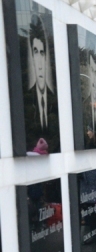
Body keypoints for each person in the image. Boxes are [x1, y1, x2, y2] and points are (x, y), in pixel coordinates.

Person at [24, 13, 59, 154]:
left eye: (42, 53)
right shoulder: (27, 99)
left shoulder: (55, 99)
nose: (39, 62)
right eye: (35, 52)